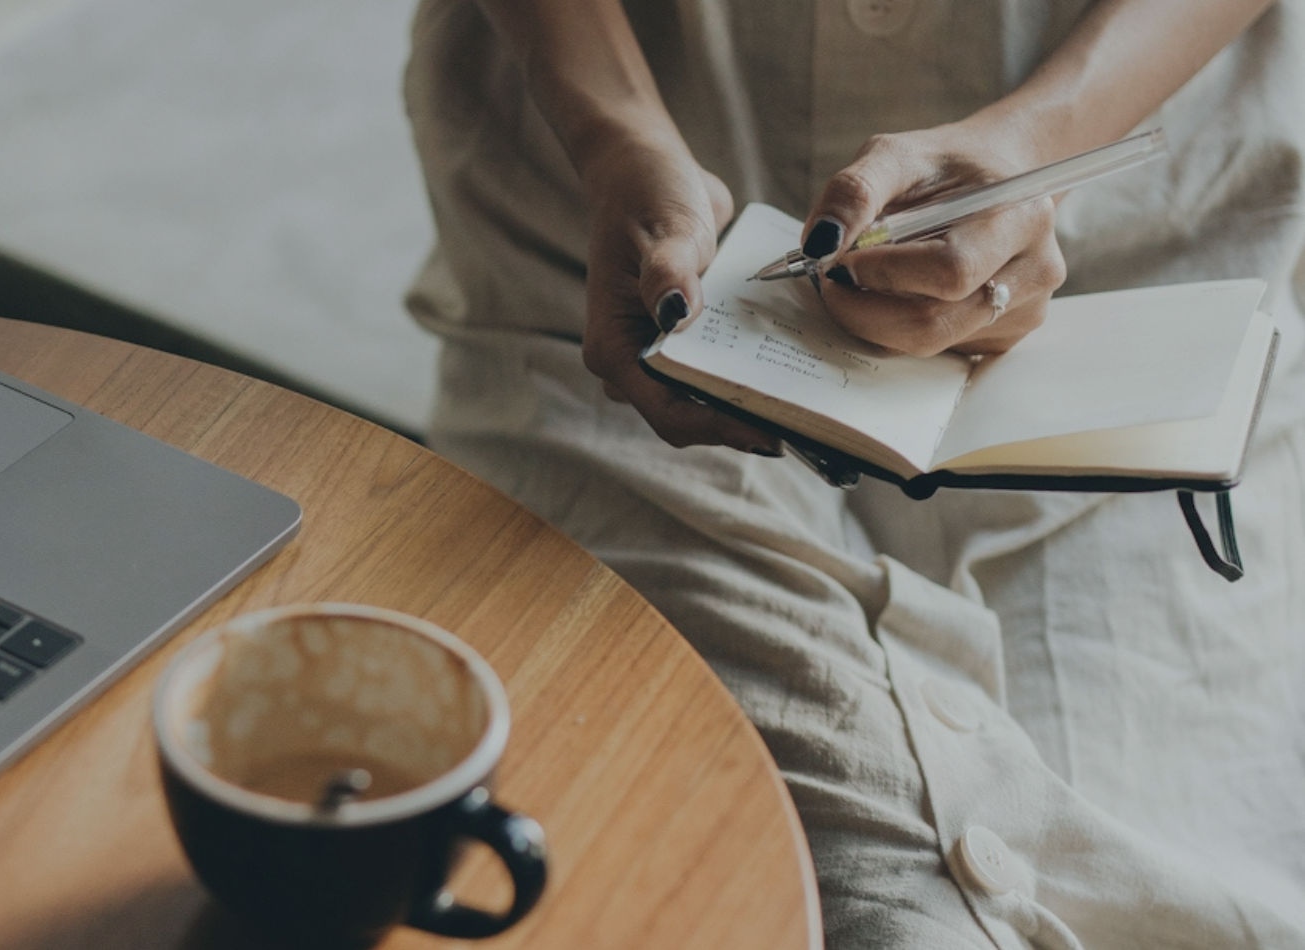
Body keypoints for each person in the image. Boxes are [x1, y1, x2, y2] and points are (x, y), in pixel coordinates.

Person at [401, 0, 1305, 946]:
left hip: (1132, 303)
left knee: (1190, 897)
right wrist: (614, 129)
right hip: (614, 275)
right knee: (848, 904)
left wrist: (1044, 135)